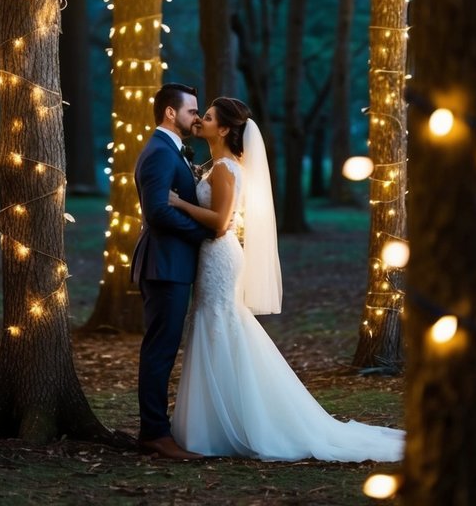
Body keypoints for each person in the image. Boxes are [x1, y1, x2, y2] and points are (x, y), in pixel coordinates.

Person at [168, 96, 405, 462]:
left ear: (226, 129)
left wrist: (179, 204)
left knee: (217, 323)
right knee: (214, 325)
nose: (201, 119)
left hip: (218, 256)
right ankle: (215, 419)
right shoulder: (218, 165)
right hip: (213, 257)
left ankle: (230, 423)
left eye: (209, 117)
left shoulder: (226, 169)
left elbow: (219, 223)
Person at [131, 81, 212, 460]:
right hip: (164, 265)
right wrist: (202, 233)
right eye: (192, 111)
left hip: (173, 264)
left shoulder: (173, 151)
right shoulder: (160, 153)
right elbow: (158, 211)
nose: (196, 117)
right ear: (170, 112)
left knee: (163, 348)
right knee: (160, 351)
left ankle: (157, 430)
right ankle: (153, 434)